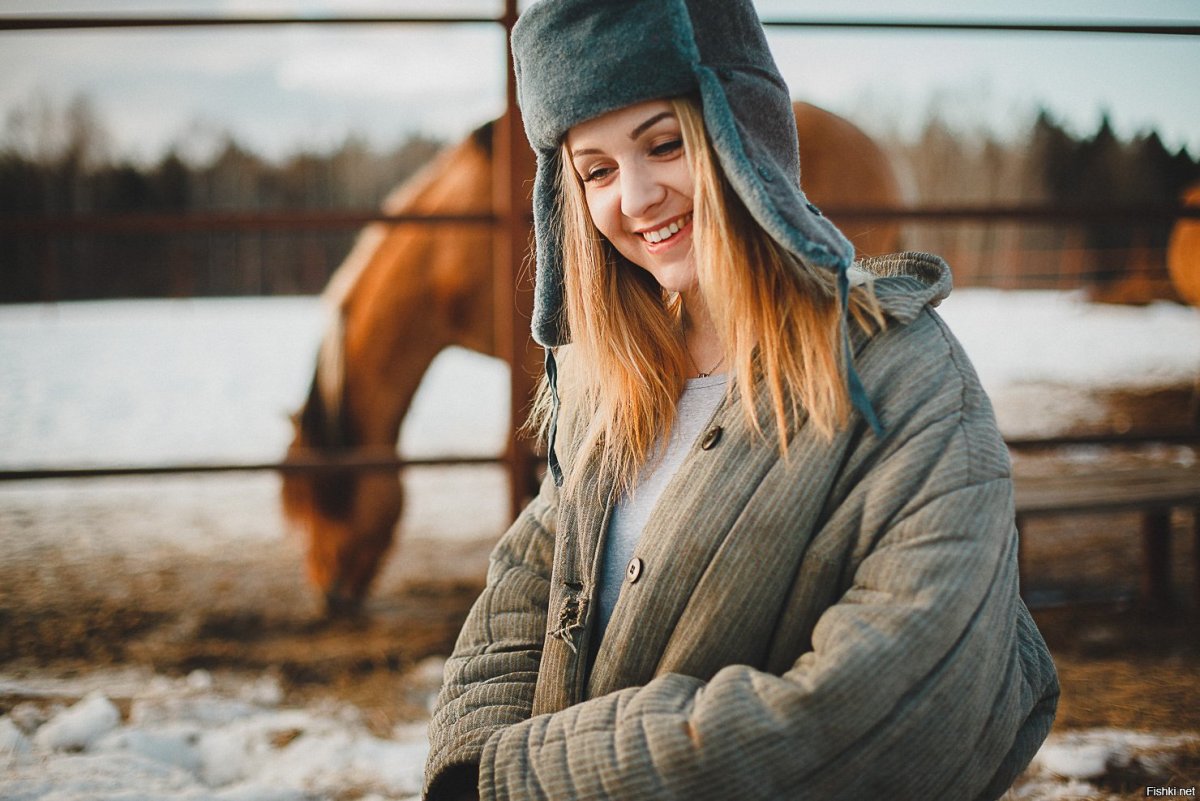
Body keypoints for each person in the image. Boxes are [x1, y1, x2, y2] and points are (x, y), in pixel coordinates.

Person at [423, 0, 1059, 798]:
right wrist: (469, 760)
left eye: (665, 144)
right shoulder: (612, 382)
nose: (637, 196)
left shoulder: (901, 375)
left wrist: (534, 775)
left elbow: (892, 694)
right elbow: (524, 587)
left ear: (744, 130)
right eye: (597, 170)